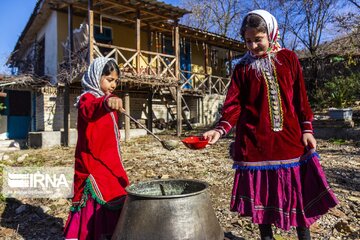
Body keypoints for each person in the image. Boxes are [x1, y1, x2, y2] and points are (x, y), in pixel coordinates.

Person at [203, 10, 338, 240]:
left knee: (297, 194)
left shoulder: (288, 59)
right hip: (255, 144)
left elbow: (300, 98)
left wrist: (307, 129)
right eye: (248, 41)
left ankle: (303, 236)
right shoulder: (242, 69)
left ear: (272, 34)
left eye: (258, 39)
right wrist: (220, 129)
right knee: (261, 197)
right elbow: (233, 105)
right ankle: (266, 237)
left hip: (290, 141)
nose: (253, 46)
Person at [64, 57, 129, 240]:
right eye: (109, 79)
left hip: (110, 162)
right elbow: (89, 111)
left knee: (118, 190)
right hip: (92, 164)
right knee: (99, 198)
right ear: (95, 76)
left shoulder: (107, 100)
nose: (114, 84)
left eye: (116, 80)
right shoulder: (88, 99)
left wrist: (109, 102)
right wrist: (106, 103)